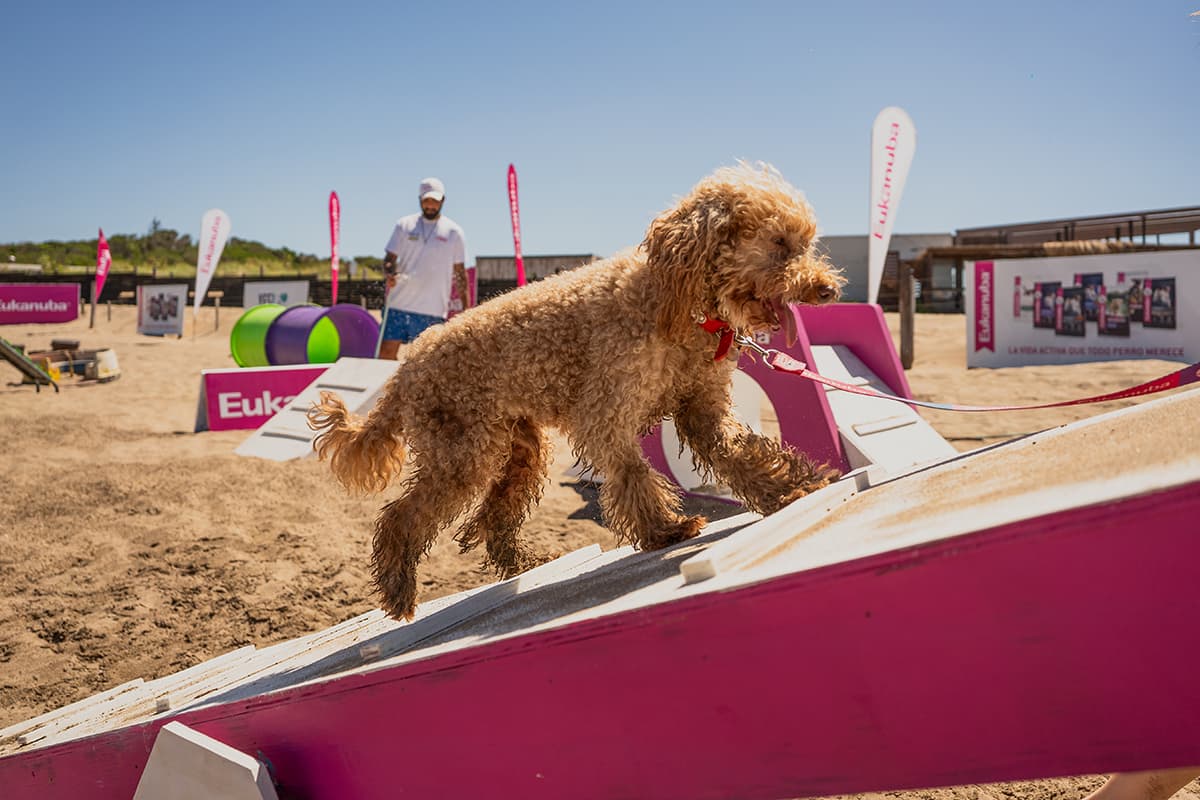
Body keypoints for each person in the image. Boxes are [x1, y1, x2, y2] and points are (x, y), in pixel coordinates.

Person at [377, 177, 470, 359]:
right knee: (385, 353)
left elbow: (460, 273)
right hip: (399, 304)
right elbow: (389, 259)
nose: (430, 205)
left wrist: (467, 309)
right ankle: (386, 388)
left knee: (426, 360)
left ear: (442, 201)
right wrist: (389, 271)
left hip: (433, 309)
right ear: (420, 199)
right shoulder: (404, 225)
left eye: (434, 201)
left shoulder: (454, 232)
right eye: (426, 200)